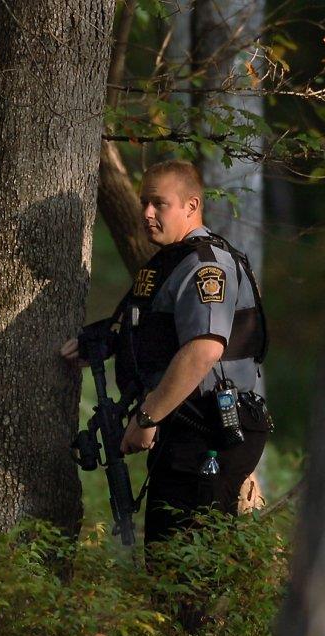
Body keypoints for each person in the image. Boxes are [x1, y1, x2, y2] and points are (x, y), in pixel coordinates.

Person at [61, 160, 271, 544]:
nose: (146, 213)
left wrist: (146, 416)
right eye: (144, 202)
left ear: (191, 206)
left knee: (186, 563)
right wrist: (101, 341)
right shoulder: (167, 263)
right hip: (186, 428)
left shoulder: (206, 266)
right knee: (169, 553)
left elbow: (203, 350)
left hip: (211, 427)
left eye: (159, 203)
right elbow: (144, 326)